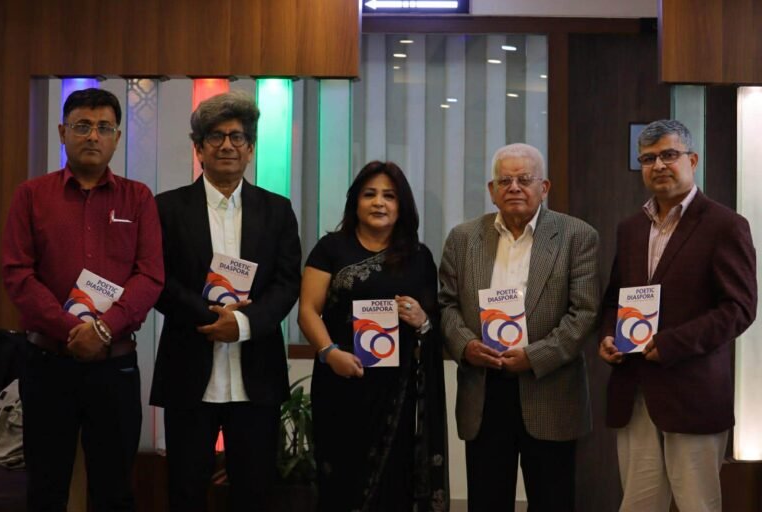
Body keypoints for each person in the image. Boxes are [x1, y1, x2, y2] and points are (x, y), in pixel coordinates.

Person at [1, 88, 164, 511]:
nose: (93, 135)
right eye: (83, 126)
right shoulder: (31, 195)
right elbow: (18, 274)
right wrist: (73, 329)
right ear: (63, 132)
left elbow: (150, 275)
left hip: (115, 365)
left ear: (117, 137)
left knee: (115, 489)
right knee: (45, 487)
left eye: (104, 127)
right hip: (47, 363)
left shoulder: (139, 198)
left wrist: (104, 330)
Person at [150, 91, 301, 511]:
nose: (227, 145)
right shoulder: (167, 208)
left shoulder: (277, 210)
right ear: (199, 149)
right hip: (188, 369)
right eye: (215, 136)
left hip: (257, 374)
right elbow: (158, 279)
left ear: (250, 149)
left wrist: (244, 324)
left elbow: (288, 282)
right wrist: (211, 318)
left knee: (254, 492)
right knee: (185, 491)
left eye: (237, 137)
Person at [598, 120, 756, 512]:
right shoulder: (631, 229)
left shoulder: (725, 225)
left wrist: (671, 344)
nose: (658, 165)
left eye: (669, 155)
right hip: (635, 391)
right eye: (648, 158)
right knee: (638, 505)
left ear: (693, 160)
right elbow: (616, 298)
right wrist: (609, 335)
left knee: (697, 505)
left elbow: (738, 309)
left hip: (694, 394)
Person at [439, 143, 599, 512]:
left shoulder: (576, 236)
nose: (514, 187)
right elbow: (445, 304)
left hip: (550, 389)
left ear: (544, 187)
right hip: (484, 389)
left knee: (553, 502)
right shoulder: (463, 238)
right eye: (505, 180)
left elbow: (584, 313)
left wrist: (533, 356)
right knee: (487, 501)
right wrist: (466, 346)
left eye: (525, 179)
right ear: (491, 190)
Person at [298, 161, 448, 511]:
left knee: (394, 482)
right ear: (356, 202)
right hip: (340, 381)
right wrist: (329, 353)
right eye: (370, 194)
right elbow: (308, 310)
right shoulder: (331, 248)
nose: (379, 202)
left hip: (397, 393)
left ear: (401, 205)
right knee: (340, 482)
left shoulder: (419, 257)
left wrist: (421, 318)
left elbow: (433, 322)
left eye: (389, 196)